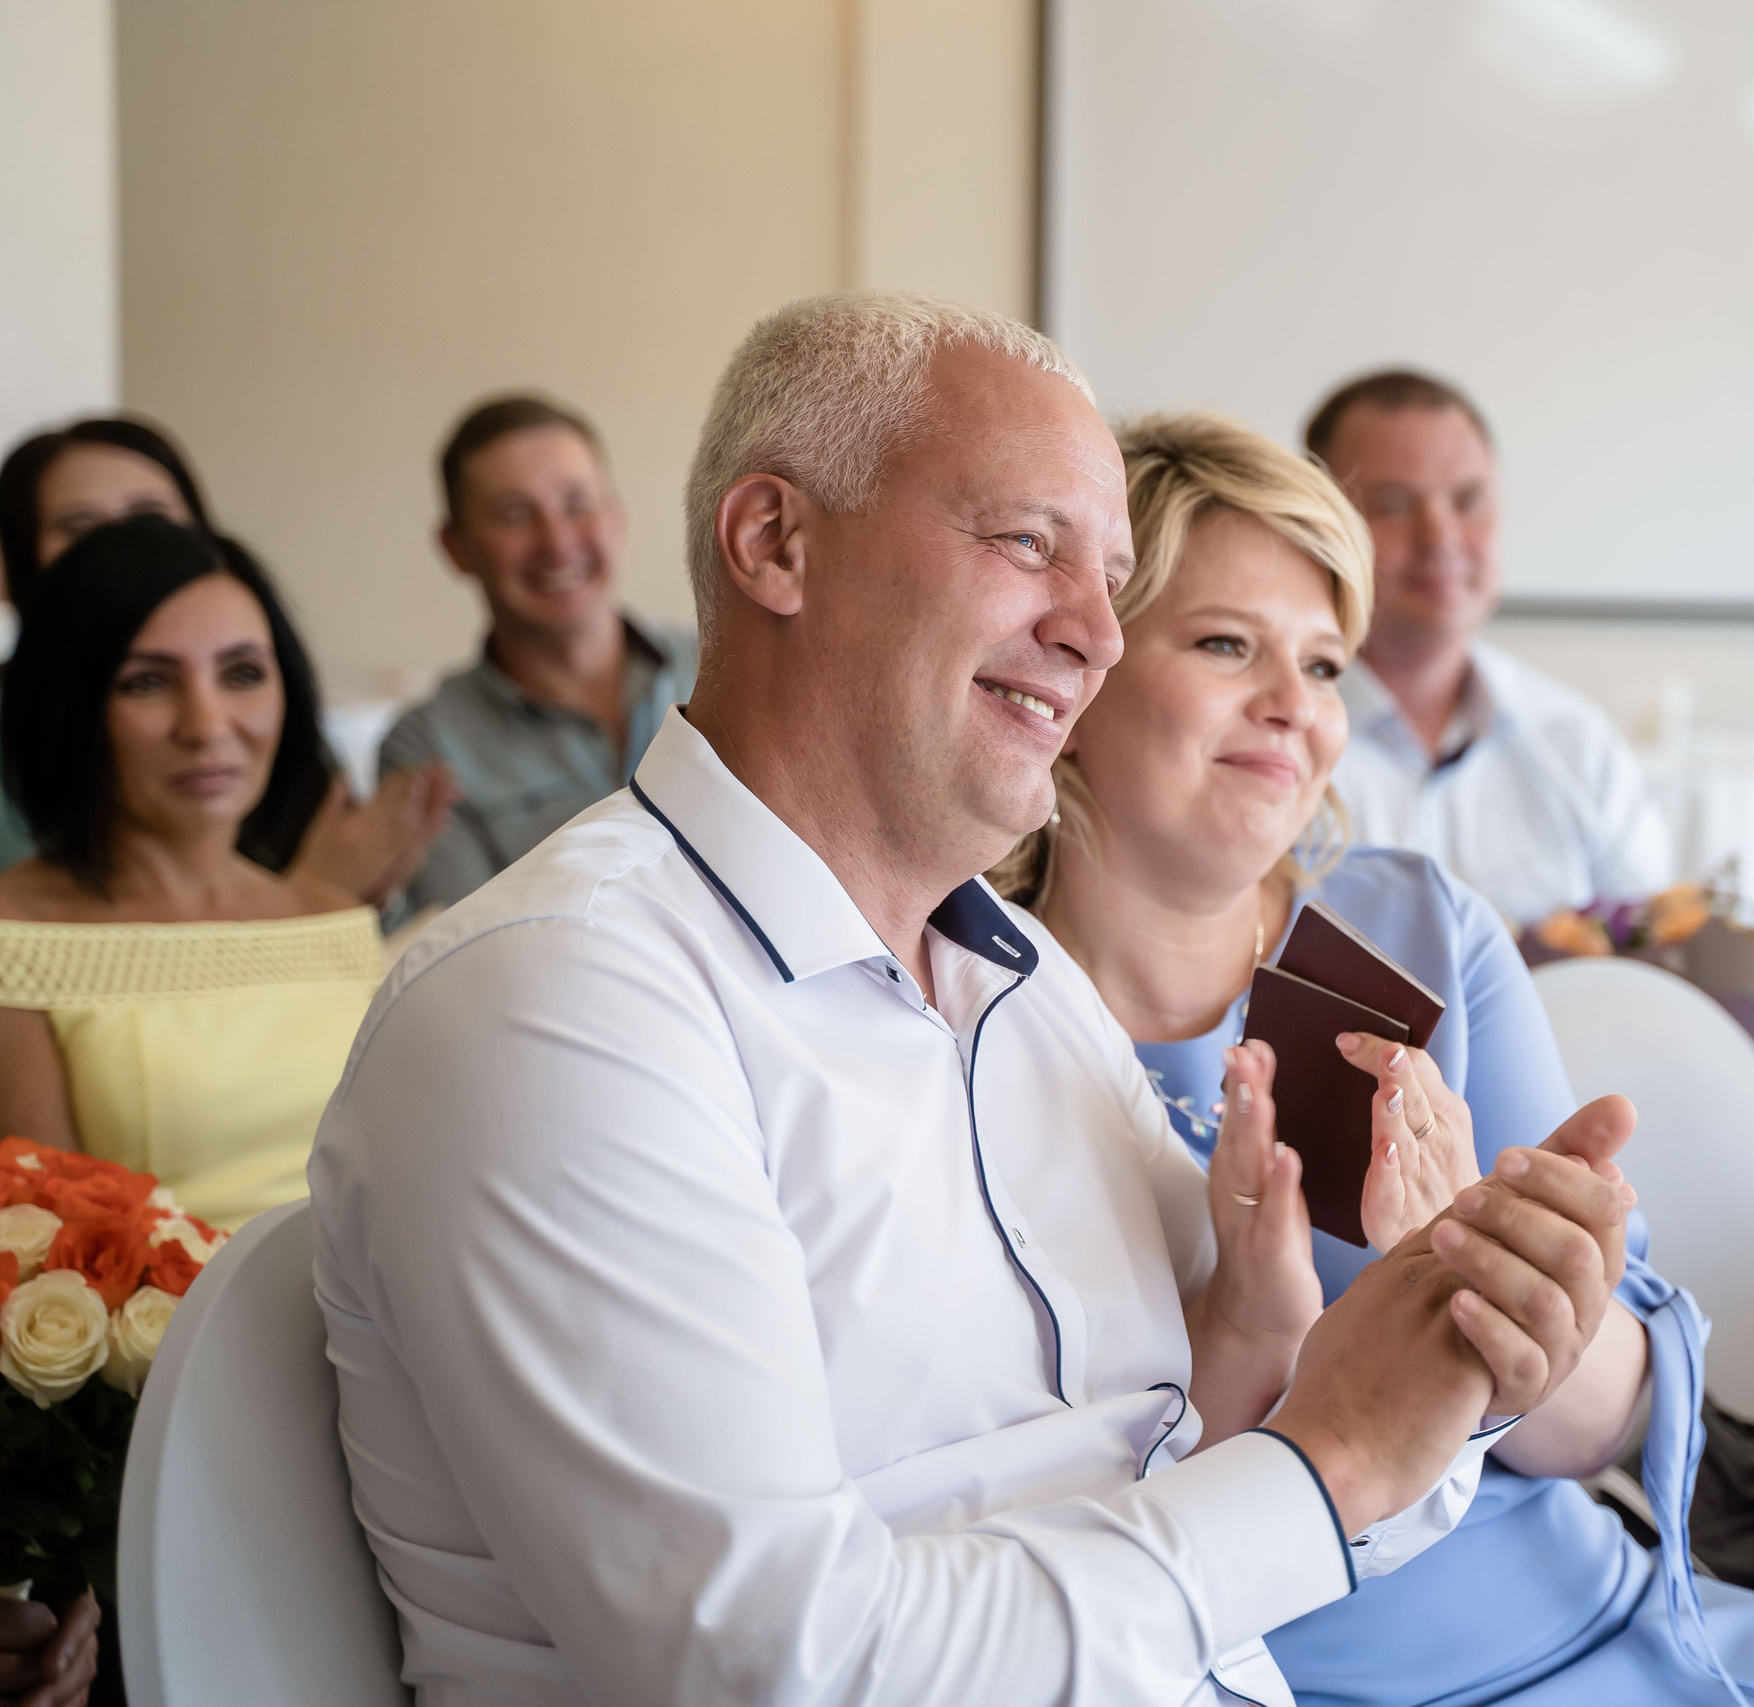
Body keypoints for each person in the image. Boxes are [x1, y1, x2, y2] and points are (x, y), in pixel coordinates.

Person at [309, 293, 1648, 1706]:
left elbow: (1197, 1501)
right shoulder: (561, 1006)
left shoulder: (1018, 982)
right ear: (777, 542)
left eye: (1115, 576)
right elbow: (787, 1665)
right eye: (1028, 543)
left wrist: (1438, 1354)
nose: (1098, 634)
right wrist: (1334, 1457)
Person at [1000, 408, 1754, 1705]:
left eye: (1327, 664)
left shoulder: (1413, 930)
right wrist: (1258, 1344)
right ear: (1080, 668)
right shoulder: (968, 999)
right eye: (1229, 644)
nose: (1297, 709)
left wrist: (1515, 1296)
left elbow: (1602, 1419)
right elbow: (1030, 1538)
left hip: (1613, 1616)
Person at [0, 517, 385, 1231]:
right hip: (150, 1340)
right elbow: (44, 1258)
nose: (206, 724)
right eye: (147, 682)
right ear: (72, 704)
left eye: (242, 673)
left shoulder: (335, 919)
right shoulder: (14, 936)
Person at [0, 416, 455, 899]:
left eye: (151, 521)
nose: (126, 555)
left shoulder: (275, 729)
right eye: (82, 530)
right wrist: (303, 904)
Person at [1304, 371, 1672, 927]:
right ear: (1321, 522)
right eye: (1393, 505)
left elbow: (1652, 955)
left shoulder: (1574, 742)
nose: (1442, 538)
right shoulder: (1276, 733)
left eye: (1469, 500)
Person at [376, 394, 697, 916]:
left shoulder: (727, 666)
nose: (556, 541)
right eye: (514, 514)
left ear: (616, 516)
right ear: (456, 547)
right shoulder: (425, 748)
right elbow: (476, 944)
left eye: (577, 504)